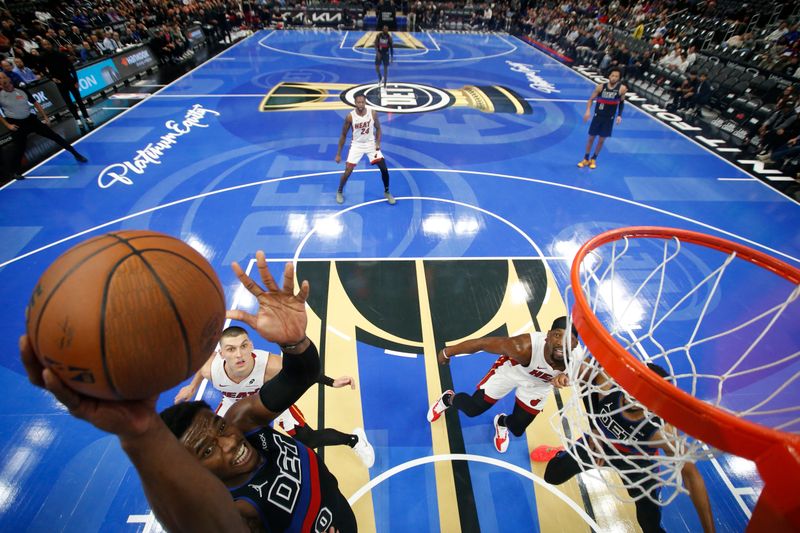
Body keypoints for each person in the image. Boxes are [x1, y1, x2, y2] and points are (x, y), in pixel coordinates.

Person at [20, 251, 355, 532]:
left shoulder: (243, 422)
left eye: (220, 428)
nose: (229, 442)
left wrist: (293, 342)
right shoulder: (234, 509)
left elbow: (302, 375)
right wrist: (138, 434)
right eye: (207, 451)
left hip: (340, 512)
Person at [543, 363, 715, 533]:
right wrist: (594, 426)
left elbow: (692, 476)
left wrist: (710, 530)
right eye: (634, 387)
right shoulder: (608, 382)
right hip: (598, 443)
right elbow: (584, 372)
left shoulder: (662, 433)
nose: (633, 395)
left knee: (650, 525)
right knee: (552, 475)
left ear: (655, 404)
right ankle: (563, 453)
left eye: (643, 395)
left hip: (637, 462)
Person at [174, 325, 375, 467]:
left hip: (269, 401)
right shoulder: (211, 369)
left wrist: (331, 382)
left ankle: (354, 439)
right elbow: (202, 370)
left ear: (251, 345)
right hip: (234, 404)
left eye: (244, 346)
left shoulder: (270, 365)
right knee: (214, 442)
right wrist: (192, 387)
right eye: (231, 349)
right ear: (222, 353)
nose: (239, 354)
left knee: (309, 439)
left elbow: (304, 373)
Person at [426, 316, 577, 453]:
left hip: (539, 385)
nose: (561, 343)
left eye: (568, 340)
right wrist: (447, 352)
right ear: (547, 335)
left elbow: (585, 379)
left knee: (517, 428)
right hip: (510, 372)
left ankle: (501, 422)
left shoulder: (579, 362)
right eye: (557, 335)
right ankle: (448, 399)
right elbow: (482, 344)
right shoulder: (522, 347)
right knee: (472, 409)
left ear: (575, 345)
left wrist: (568, 377)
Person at [0, 73, 87, 182]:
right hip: (16, 123)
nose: (3, 80)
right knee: (19, 149)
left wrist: (45, 116)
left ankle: (76, 153)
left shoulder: (21, 90)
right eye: (0, 79)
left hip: (30, 120)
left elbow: (35, 103)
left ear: (9, 79)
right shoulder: (1, 94)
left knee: (54, 136)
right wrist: (8, 125)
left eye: (4, 77)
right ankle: (15, 172)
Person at [334, 94, 395, 205]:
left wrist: (377, 142)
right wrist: (338, 154)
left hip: (370, 144)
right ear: (355, 103)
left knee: (384, 169)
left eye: (362, 102)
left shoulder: (372, 113)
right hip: (356, 145)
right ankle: (339, 191)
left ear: (365, 102)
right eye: (358, 102)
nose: (361, 104)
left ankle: (387, 192)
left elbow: (379, 129)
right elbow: (343, 134)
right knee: (348, 171)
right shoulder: (350, 117)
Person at [577, 67, 627, 169]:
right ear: (609, 76)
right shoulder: (600, 87)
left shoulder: (622, 89)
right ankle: (586, 158)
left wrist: (619, 115)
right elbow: (590, 100)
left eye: (616, 76)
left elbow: (621, 102)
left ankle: (593, 159)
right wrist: (587, 111)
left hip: (609, 119)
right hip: (597, 116)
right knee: (591, 138)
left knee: (601, 140)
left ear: (619, 78)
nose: (614, 78)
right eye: (612, 75)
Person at [38, 40, 94, 128]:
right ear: (42, 46)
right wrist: (52, 78)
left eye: (48, 44)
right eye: (45, 45)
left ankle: (86, 116)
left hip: (69, 79)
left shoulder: (60, 54)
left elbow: (71, 67)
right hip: (60, 82)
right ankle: (77, 119)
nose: (47, 46)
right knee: (68, 102)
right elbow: (42, 69)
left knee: (78, 99)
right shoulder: (42, 57)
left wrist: (76, 80)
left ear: (51, 45)